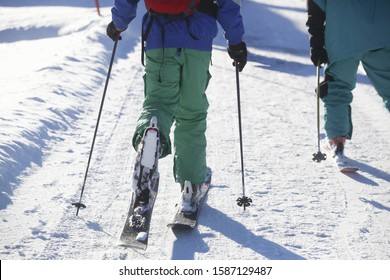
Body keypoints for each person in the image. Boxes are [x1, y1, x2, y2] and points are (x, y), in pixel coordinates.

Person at [106, 0, 247, 213]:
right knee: (191, 113)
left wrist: (118, 24)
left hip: (159, 37)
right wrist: (236, 41)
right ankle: (191, 186)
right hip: (198, 40)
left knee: (158, 102)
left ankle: (151, 133)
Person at [306, 0, 390, 159]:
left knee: (338, 86)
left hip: (343, 36)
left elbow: (315, 5)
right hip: (383, 36)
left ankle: (337, 141)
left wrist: (316, 41)